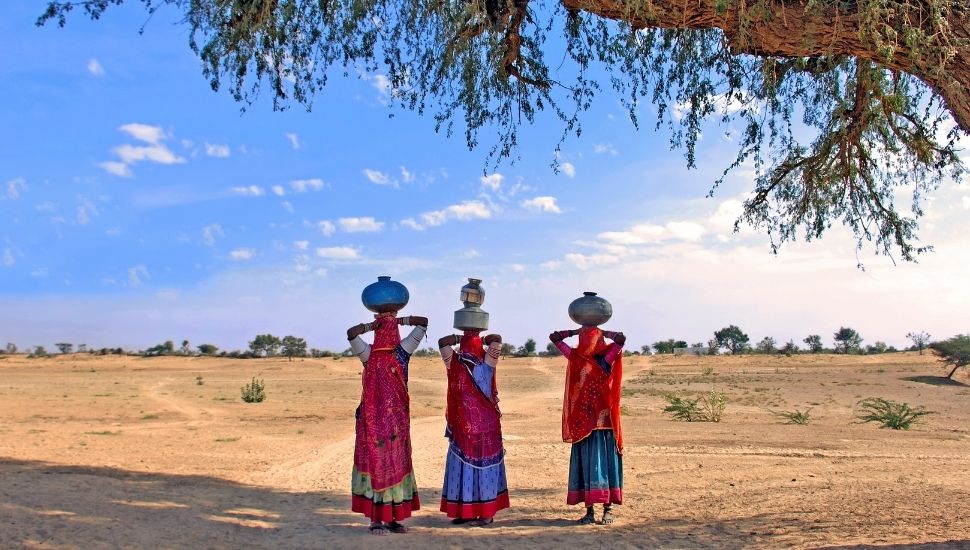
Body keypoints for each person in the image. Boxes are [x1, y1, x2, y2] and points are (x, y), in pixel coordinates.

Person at [346, 313, 428, 535]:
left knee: (393, 465)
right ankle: (376, 519)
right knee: (380, 465)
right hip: (376, 423)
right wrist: (393, 320)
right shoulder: (387, 352)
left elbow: (352, 333)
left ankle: (393, 519)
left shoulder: (391, 352)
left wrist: (377, 323)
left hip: (393, 423)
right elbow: (423, 323)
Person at [549, 326, 626, 525]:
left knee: (604, 465)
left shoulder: (605, 359)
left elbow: (620, 340)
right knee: (586, 466)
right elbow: (554, 338)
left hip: (603, 423)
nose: (588, 343)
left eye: (591, 338)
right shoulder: (575, 357)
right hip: (583, 423)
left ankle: (607, 509)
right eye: (586, 339)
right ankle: (590, 511)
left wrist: (599, 331)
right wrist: (578, 329)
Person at [437, 331, 510, 527]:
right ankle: (471, 512)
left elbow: (443, 341)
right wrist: (475, 336)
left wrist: (465, 337)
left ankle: (484, 514)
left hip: (474, 428)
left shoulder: (456, 363)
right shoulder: (486, 364)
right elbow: (496, 339)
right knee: (476, 469)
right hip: (475, 428)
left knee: (469, 469)